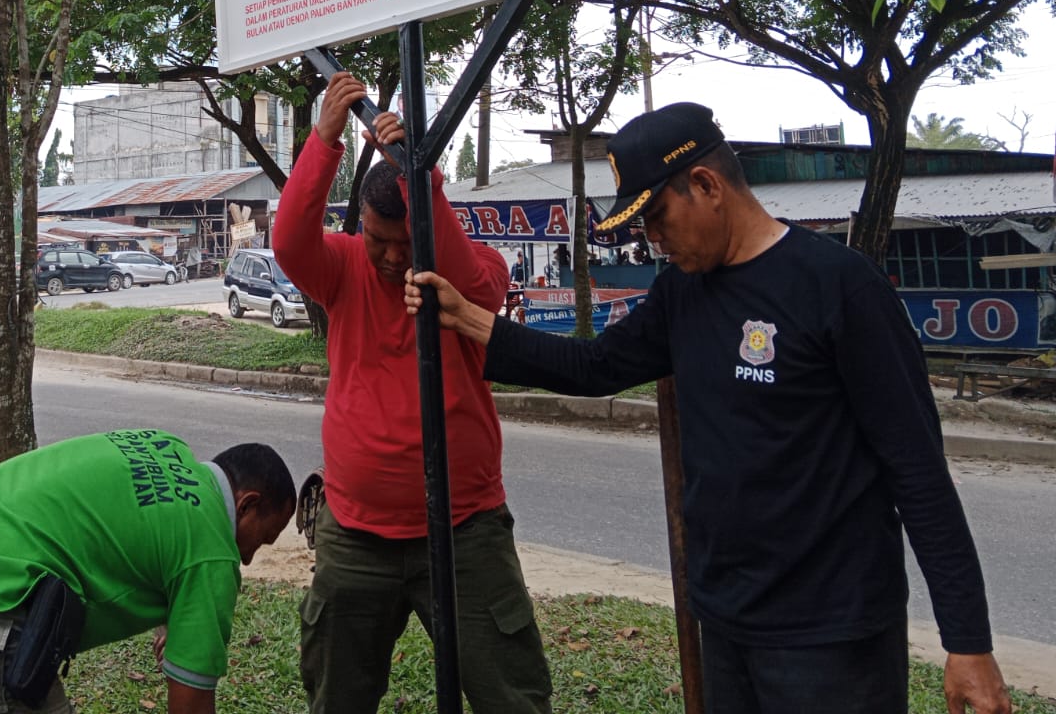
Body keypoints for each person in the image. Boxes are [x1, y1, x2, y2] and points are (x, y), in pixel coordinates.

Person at [405, 101, 1012, 714]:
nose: (653, 239)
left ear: (706, 185)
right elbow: (596, 369)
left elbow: (919, 472)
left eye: (657, 217)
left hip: (832, 633)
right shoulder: (683, 290)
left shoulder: (839, 286)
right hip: (724, 617)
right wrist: (471, 320)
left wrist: (968, 642)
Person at [274, 71, 552, 714]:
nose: (394, 258)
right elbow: (289, 243)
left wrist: (419, 175)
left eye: (407, 243)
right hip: (355, 532)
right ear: (360, 226)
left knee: (511, 696)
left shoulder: (476, 267)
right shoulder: (341, 267)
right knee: (337, 694)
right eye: (379, 240)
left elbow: (474, 291)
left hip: (464, 531)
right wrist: (325, 139)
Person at [0, 429, 295, 714]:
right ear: (247, 504)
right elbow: (192, 701)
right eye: (261, 538)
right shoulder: (214, 550)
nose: (249, 558)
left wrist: (168, 619)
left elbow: (137, 526)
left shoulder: (163, 447)